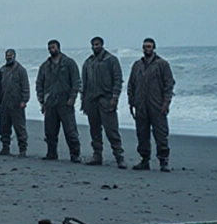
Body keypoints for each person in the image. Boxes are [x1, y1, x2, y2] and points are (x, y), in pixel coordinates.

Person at [128, 37, 175, 172]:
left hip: (157, 105)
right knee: (142, 134)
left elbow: (169, 84)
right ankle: (144, 160)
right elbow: (131, 84)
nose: (146, 49)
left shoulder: (162, 64)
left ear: (154, 48)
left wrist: (166, 103)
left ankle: (163, 161)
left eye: (149, 46)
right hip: (141, 105)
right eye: (144, 46)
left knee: (161, 134)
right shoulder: (137, 65)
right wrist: (132, 102)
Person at [80, 36, 126, 168]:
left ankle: (119, 157)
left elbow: (118, 79)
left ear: (102, 45)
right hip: (91, 101)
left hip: (106, 100)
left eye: (97, 44)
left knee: (112, 130)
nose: (95, 47)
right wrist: (83, 101)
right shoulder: (88, 63)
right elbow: (84, 83)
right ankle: (97, 155)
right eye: (93, 45)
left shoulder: (111, 60)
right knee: (94, 131)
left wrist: (115, 97)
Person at [35, 39, 82, 162]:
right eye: (50, 48)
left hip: (65, 102)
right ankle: (51, 153)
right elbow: (39, 83)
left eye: (53, 47)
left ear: (59, 48)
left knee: (70, 130)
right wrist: (41, 100)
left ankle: (75, 154)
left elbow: (76, 81)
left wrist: (73, 97)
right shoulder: (45, 66)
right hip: (50, 102)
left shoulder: (69, 63)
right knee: (50, 130)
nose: (51, 50)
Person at [0, 49, 30, 157]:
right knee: (4, 127)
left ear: (15, 56)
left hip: (17, 103)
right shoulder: (2, 70)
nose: (9, 57)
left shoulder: (21, 70)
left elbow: (25, 86)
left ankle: (22, 149)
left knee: (19, 127)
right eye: (7, 55)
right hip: (4, 103)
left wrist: (24, 100)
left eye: (11, 55)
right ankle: (5, 147)